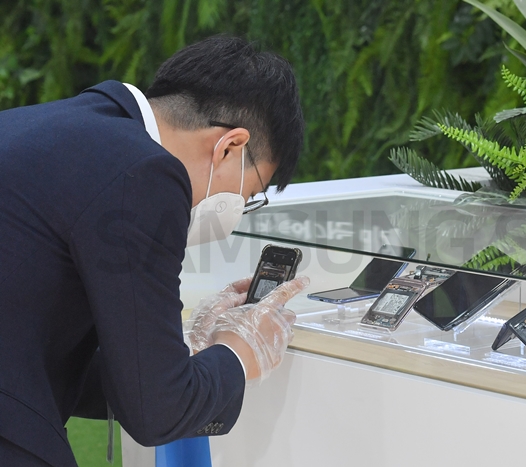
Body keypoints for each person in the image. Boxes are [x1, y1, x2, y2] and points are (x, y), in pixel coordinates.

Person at [0, 35, 308, 466]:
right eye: (249, 194)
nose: (237, 208)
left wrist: (184, 361)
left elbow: (42, 349)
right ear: (230, 146)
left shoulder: (49, 127)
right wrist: (241, 353)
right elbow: (158, 413)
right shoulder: (146, 173)